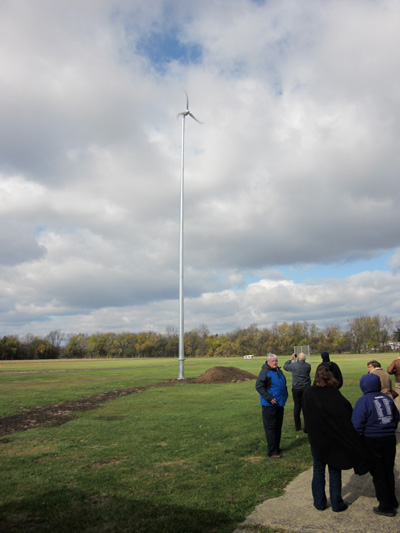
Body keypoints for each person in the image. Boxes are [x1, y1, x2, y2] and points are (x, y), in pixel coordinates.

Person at [302, 367, 368, 513]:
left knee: (318, 470)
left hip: (317, 439)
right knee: (334, 470)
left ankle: (319, 503)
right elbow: (347, 412)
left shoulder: (309, 393)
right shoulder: (334, 394)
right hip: (333, 439)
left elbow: (307, 415)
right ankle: (336, 503)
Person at [352, 373, 400, 517]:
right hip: (389, 438)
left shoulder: (364, 401)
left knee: (378, 473)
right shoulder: (387, 398)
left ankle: (385, 506)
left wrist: (359, 440)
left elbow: (357, 424)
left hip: (373, 439)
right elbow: (396, 416)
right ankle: (392, 499)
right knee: (388, 470)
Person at [255, 354, 288, 458]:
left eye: (276, 361)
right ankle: (272, 451)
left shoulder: (279, 371)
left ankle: (277, 448)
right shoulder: (265, 372)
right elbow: (259, 386)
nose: (275, 363)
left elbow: (283, 385)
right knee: (271, 428)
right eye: (273, 361)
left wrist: (285, 396)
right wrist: (269, 398)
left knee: (278, 427)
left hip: (279, 403)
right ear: (268, 362)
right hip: (269, 405)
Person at [283, 352, 311, 434]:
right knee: (305, 408)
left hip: (296, 389)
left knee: (297, 407)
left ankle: (297, 427)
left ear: (298, 358)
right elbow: (300, 366)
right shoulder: (308, 366)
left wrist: (291, 359)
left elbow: (285, 366)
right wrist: (297, 361)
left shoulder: (294, 365)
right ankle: (307, 426)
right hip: (305, 389)